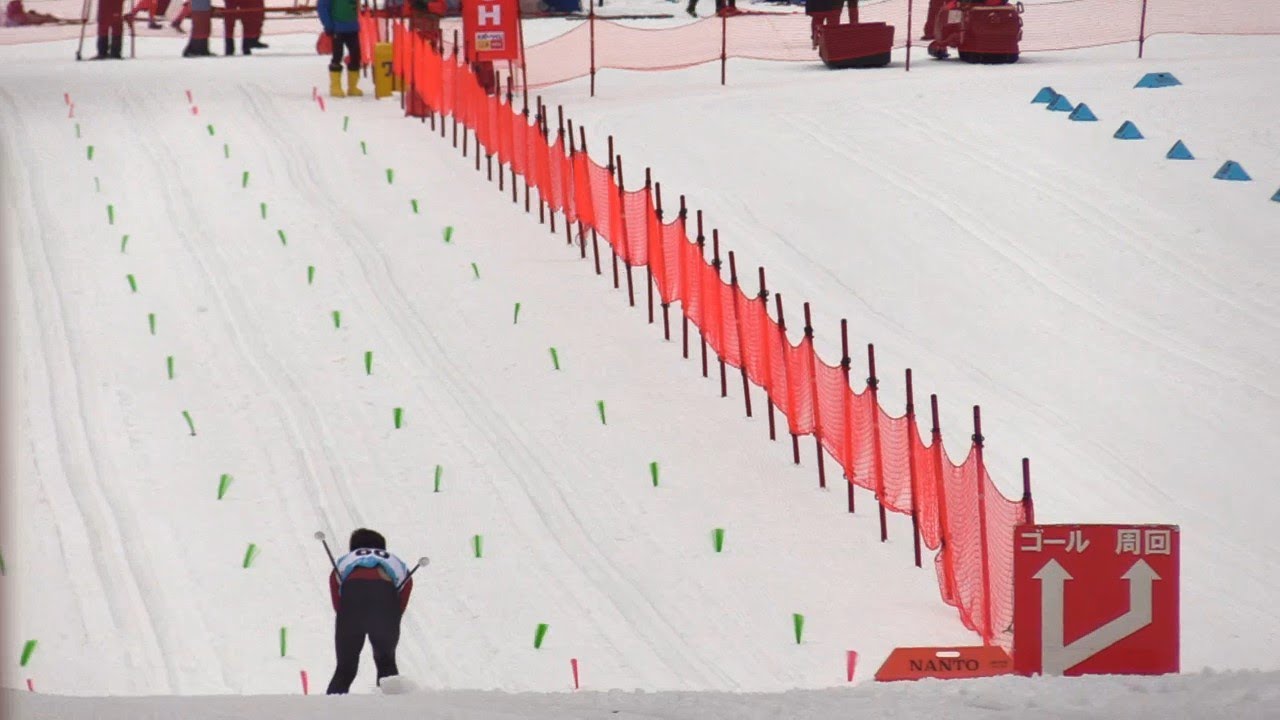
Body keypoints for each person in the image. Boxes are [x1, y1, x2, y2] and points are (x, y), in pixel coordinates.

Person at [326, 528, 414, 695]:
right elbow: (406, 585)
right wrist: (393, 617)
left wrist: (346, 617)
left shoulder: (347, 559)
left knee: (345, 668)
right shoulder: (394, 560)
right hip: (385, 601)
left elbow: (336, 589)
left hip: (351, 601)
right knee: (386, 664)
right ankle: (392, 711)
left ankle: (330, 711)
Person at [318, 0, 363, 97]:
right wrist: (328, 26)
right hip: (337, 27)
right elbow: (322, 7)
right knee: (337, 55)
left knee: (356, 55)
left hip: (352, 27)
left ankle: (352, 87)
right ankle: (335, 87)